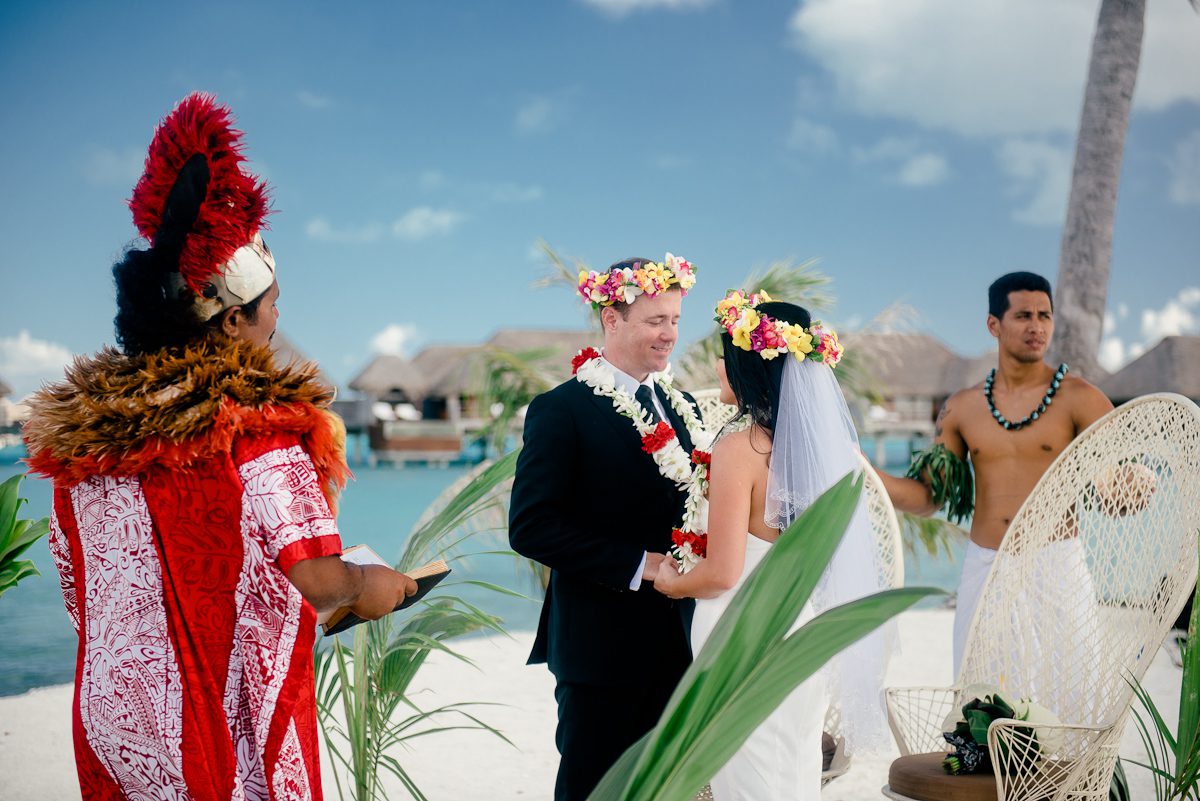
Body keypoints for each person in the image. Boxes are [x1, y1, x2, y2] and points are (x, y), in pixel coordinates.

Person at [23, 93, 416, 800]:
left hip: (114, 717)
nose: (275, 323)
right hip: (217, 726)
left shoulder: (80, 447)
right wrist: (374, 586)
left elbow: (79, 589)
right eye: (271, 308)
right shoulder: (256, 427)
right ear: (234, 320)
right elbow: (320, 579)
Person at [653, 290, 890, 801]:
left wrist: (672, 583)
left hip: (744, 636)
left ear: (747, 366)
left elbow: (722, 573)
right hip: (797, 631)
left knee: (751, 781)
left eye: (725, 355)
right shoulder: (817, 451)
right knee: (792, 774)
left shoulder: (742, 447)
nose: (718, 365)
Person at [508, 254, 704, 801]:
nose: (669, 335)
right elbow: (531, 527)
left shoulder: (681, 407)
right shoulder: (560, 409)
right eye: (655, 321)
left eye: (675, 321)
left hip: (681, 642)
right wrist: (640, 564)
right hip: (600, 651)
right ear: (611, 320)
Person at [875, 271, 1113, 675]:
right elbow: (929, 498)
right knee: (980, 699)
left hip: (1057, 566)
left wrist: (1131, 487)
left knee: (1071, 695)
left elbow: (1114, 489)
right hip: (985, 567)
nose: (1037, 326)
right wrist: (869, 476)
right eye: (1023, 316)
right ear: (994, 325)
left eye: (1045, 315)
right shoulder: (963, 407)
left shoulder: (1082, 398)